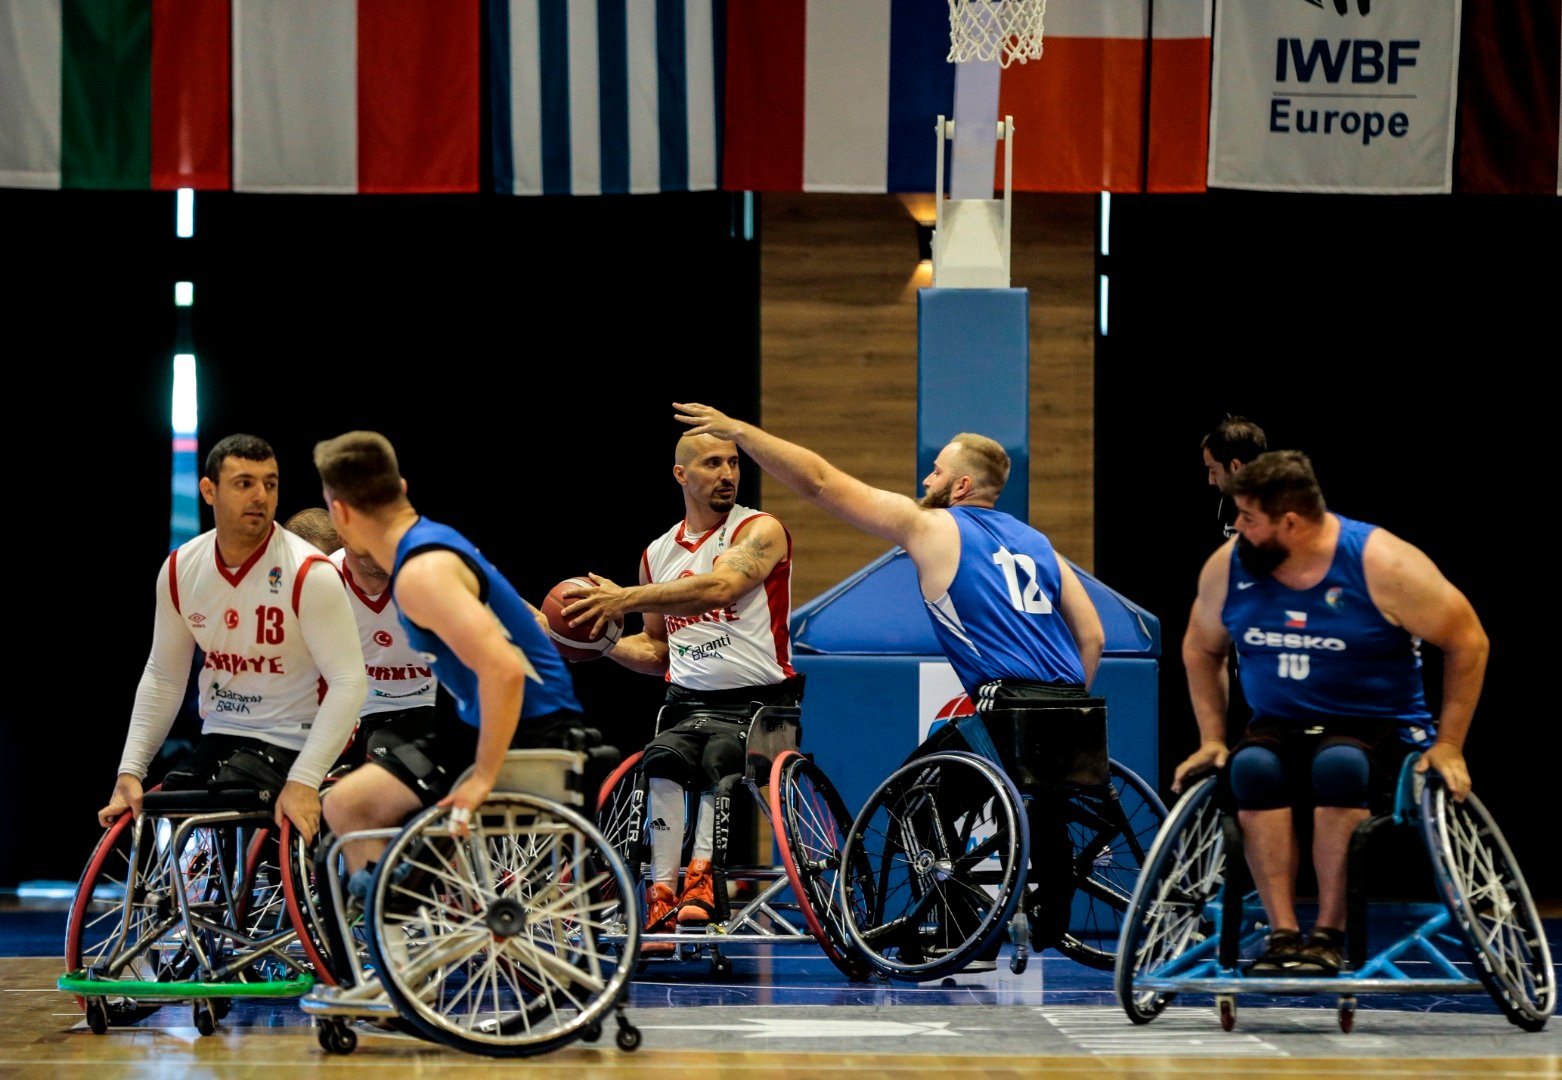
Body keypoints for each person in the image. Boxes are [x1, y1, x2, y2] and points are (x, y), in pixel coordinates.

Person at [667, 402, 1105, 961]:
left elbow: (821, 481)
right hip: (1073, 711)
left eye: (937, 472)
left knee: (908, 798)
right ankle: (1043, 903)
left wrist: (743, 433)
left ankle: (957, 934)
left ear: (962, 485)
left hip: (1005, 706)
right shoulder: (1039, 543)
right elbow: (1090, 637)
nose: (927, 480)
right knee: (1038, 796)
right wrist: (1060, 707)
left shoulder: (933, 526)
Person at [1172, 450, 1488, 976]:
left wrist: (1449, 743)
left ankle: (1328, 934)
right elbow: (1201, 648)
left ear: (1289, 523)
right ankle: (1283, 933)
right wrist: (1211, 737)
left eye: (1248, 519)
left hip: (1377, 727)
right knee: (1251, 770)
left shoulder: (1383, 563)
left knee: (1338, 767)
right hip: (1280, 725)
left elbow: (1468, 643)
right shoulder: (1230, 566)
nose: (1237, 529)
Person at [558, 430, 803, 951]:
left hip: (761, 704)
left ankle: (703, 878)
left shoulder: (759, 531)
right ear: (681, 475)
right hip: (687, 704)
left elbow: (720, 587)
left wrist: (622, 599)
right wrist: (599, 644)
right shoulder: (657, 554)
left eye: (733, 463)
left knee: (717, 756)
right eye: (713, 463)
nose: (728, 474)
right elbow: (656, 651)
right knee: (662, 758)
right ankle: (661, 894)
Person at [312, 431, 586, 877]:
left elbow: (504, 670)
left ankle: (391, 930)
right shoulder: (433, 540)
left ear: (339, 513)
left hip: (531, 728)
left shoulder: (421, 572)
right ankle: (394, 924)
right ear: (401, 489)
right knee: (344, 803)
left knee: (350, 808)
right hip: (498, 721)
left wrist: (481, 776)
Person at [98, 435, 368, 846]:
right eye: (244, 483)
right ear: (209, 491)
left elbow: (350, 683)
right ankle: (201, 901)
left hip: (299, 733)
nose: (260, 495)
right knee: (175, 793)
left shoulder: (309, 572)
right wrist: (130, 771)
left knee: (227, 790)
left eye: (270, 483)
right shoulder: (181, 569)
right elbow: (163, 676)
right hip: (225, 728)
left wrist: (305, 779)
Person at [283, 509, 440, 773]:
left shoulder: (428, 571)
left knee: (381, 763)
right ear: (345, 538)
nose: (385, 546)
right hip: (360, 712)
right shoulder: (319, 581)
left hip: (429, 705)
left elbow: (504, 608)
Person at [1201, 415, 1268, 544]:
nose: (1211, 480)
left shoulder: (1278, 508)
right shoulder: (1225, 502)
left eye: (1213, 470)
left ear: (1235, 466)